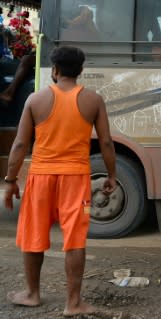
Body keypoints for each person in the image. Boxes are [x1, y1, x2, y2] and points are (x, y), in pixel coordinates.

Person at [3, 46, 117, 315]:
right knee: (75, 239)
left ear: (54, 70)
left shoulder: (35, 100)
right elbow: (106, 142)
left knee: (34, 235)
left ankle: (32, 294)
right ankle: (74, 303)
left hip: (40, 178)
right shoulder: (93, 100)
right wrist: (112, 175)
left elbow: (20, 144)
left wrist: (10, 180)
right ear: (80, 71)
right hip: (76, 179)